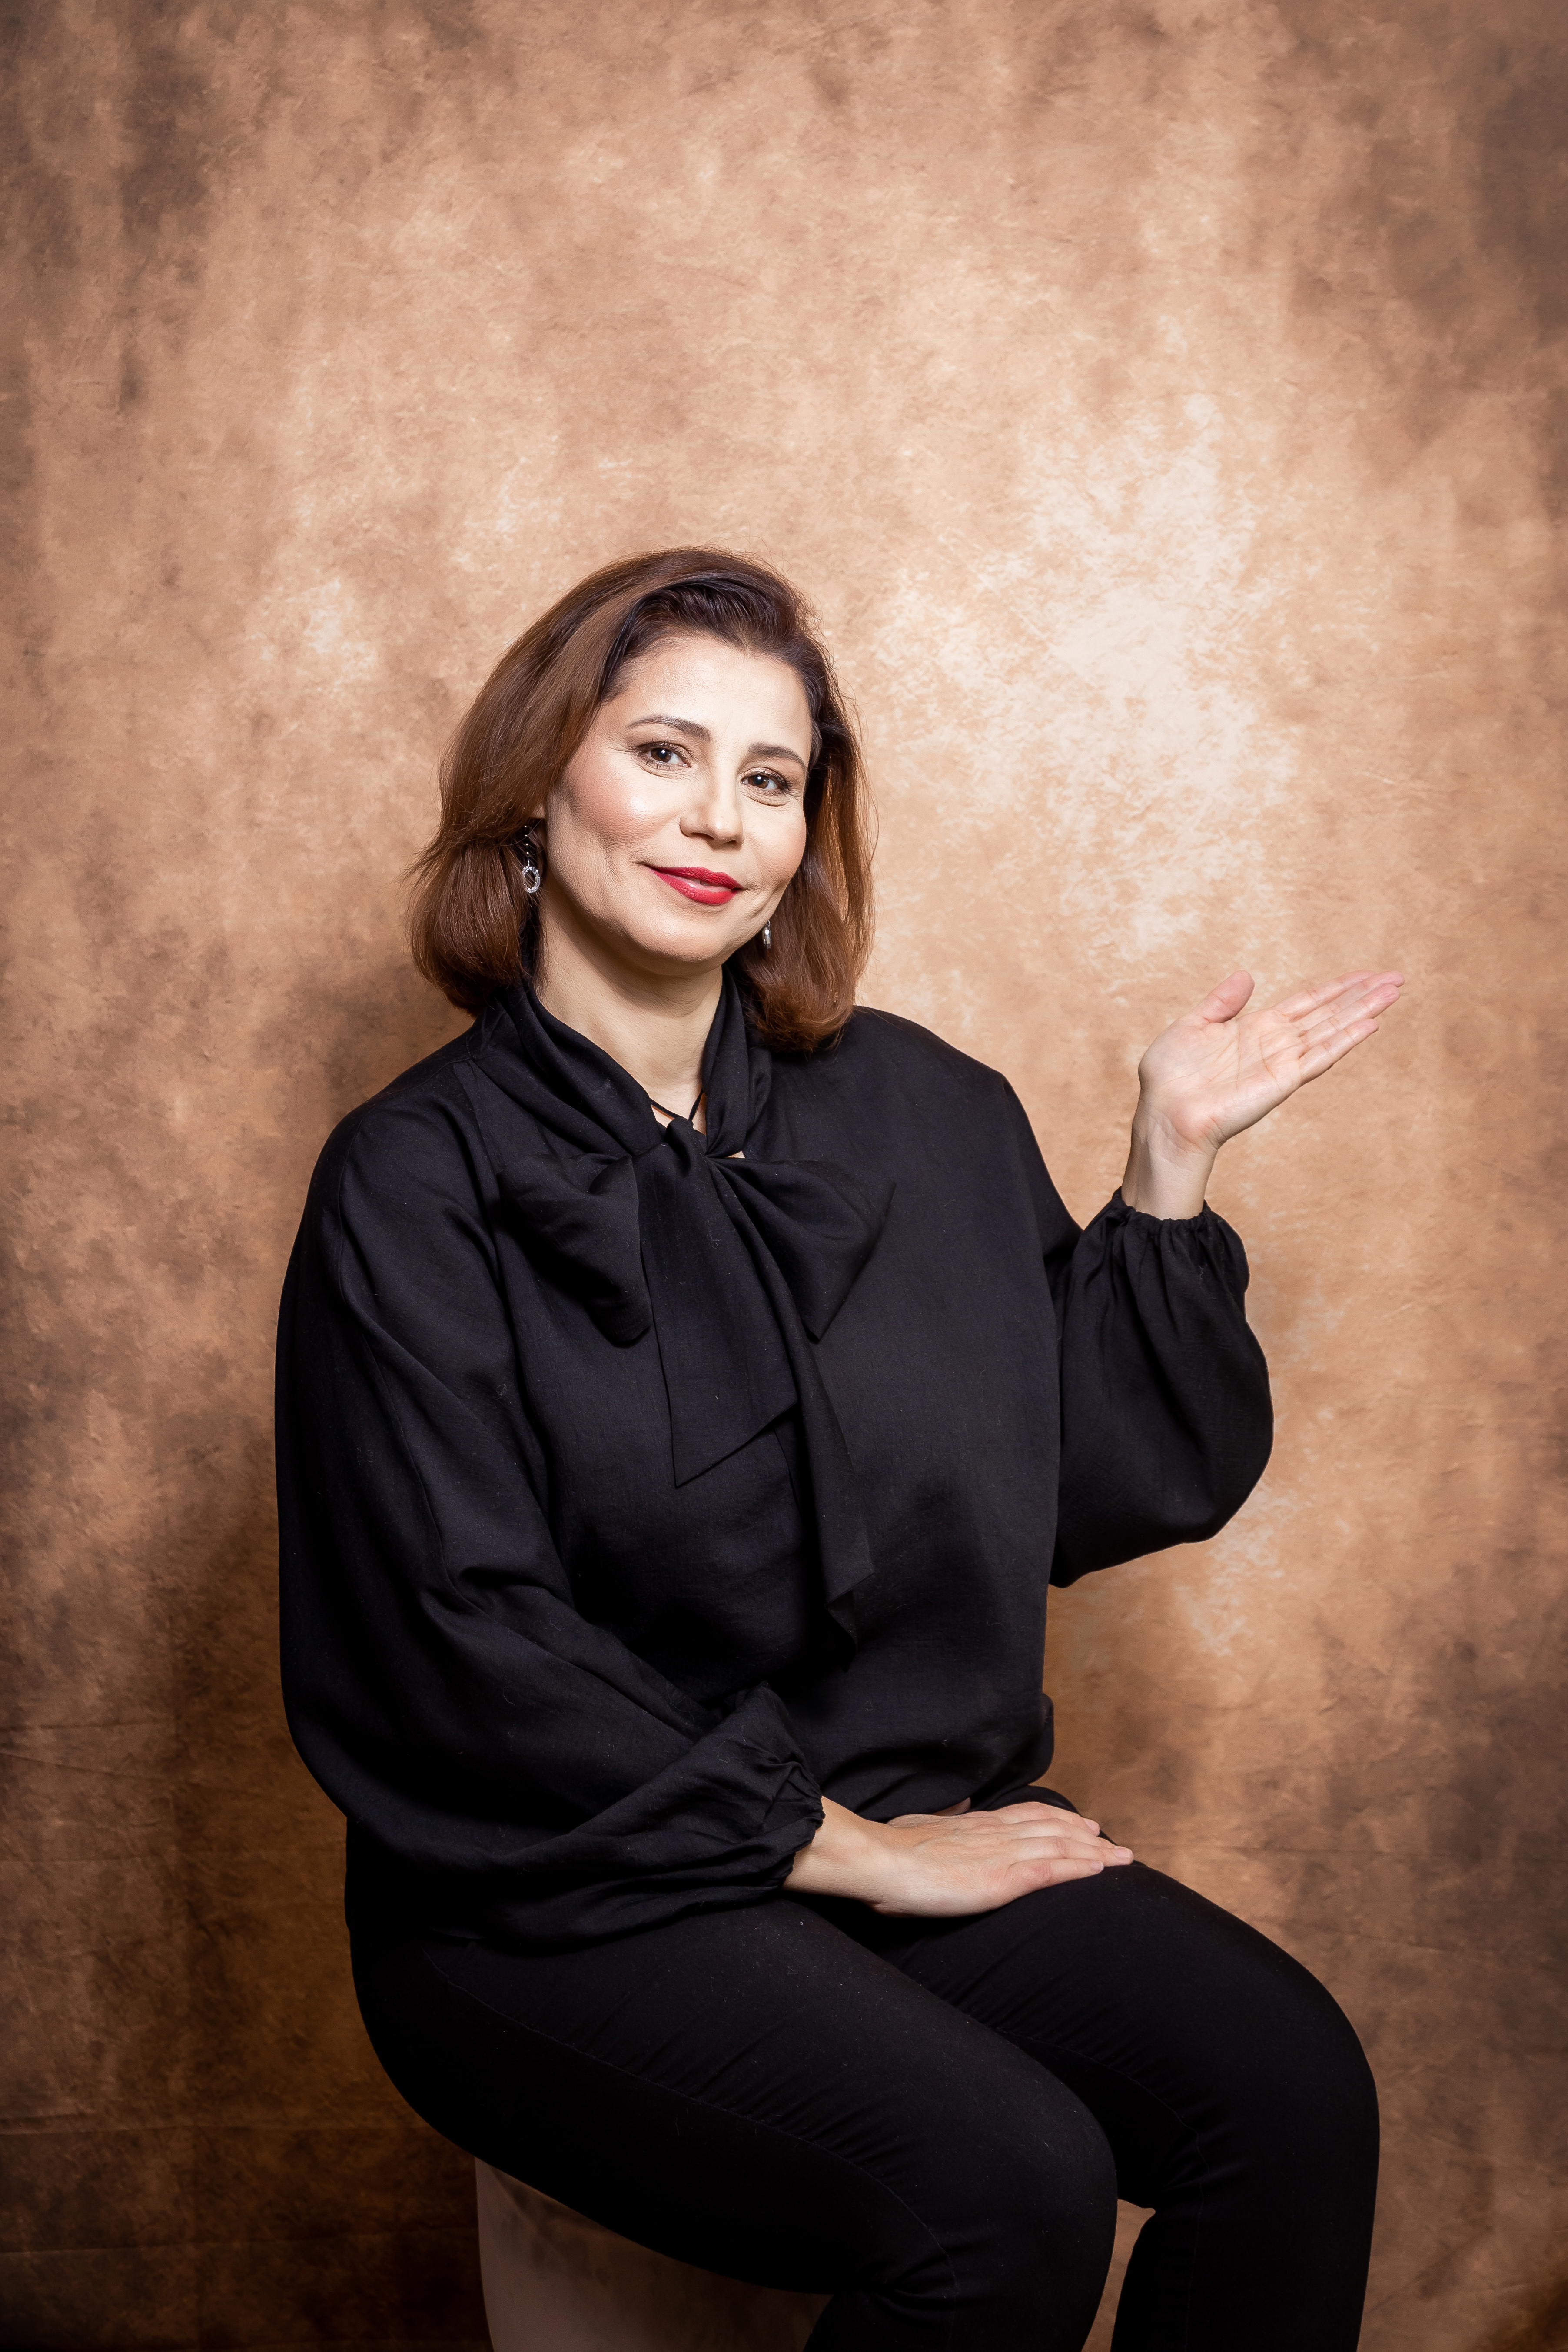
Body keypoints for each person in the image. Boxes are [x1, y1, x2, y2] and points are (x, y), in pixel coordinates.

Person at [276, 548, 1401, 2351]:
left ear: (810, 828)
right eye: (660, 753)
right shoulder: (413, 1184)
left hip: (894, 1821)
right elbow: (453, 1638)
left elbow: (1090, 1486)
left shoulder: (926, 1112)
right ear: (535, 790)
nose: (715, 815)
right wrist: (835, 1848)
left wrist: (1162, 1178)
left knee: (1285, 2091)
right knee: (1006, 2184)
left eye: (769, 776)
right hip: (552, 1892)